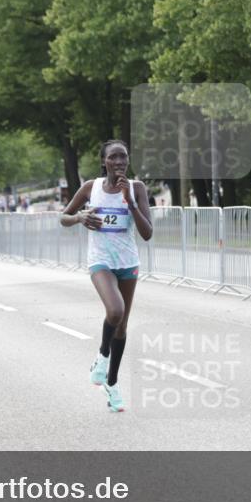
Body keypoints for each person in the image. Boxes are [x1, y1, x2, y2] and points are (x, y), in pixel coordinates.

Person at [60, 139, 153, 412]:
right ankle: (101, 357)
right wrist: (79, 218)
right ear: (104, 161)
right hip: (100, 261)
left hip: (128, 262)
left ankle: (112, 383)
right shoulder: (92, 188)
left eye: (123, 157)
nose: (120, 162)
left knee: (122, 327)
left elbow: (147, 233)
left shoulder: (137, 188)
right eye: (114, 157)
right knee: (115, 310)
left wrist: (131, 202)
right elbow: (63, 217)